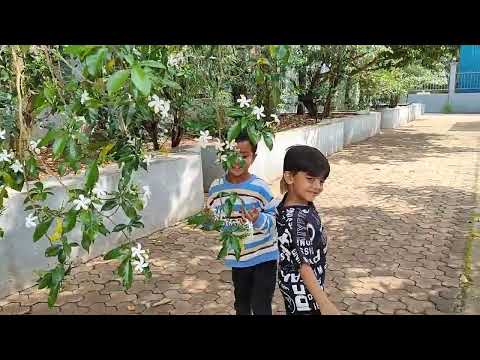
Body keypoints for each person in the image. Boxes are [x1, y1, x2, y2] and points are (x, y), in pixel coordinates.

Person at [207, 132, 278, 315]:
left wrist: (259, 219)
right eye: (232, 154)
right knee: (241, 304)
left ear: (254, 157)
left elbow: (275, 218)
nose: (237, 161)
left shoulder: (259, 187)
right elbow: (215, 220)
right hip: (239, 260)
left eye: (244, 156)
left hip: (264, 257)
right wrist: (209, 219)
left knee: (261, 305)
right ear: (223, 154)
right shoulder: (216, 188)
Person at [276, 145, 340, 315]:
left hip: (306, 289)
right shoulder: (296, 219)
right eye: (310, 179)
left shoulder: (301, 203)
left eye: (321, 181)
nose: (317, 186)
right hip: (303, 294)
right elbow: (304, 267)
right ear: (289, 177)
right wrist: (324, 303)